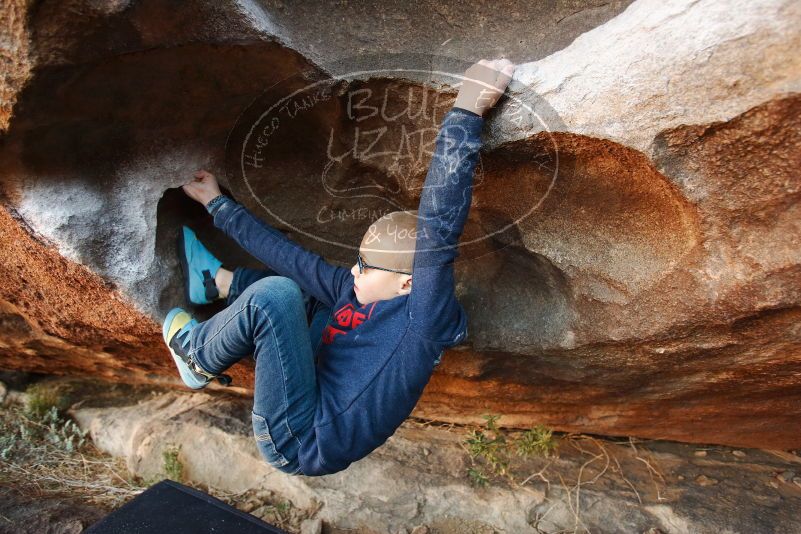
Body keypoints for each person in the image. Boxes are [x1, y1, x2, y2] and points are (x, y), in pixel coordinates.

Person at [163, 59, 517, 476]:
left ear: (408, 284)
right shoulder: (357, 290)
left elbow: (438, 229)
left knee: (274, 299)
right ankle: (216, 282)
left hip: (300, 438)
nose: (353, 271)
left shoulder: (421, 324)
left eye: (366, 266)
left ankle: (196, 357)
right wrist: (217, 205)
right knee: (299, 286)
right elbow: (291, 258)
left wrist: (467, 109)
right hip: (312, 378)